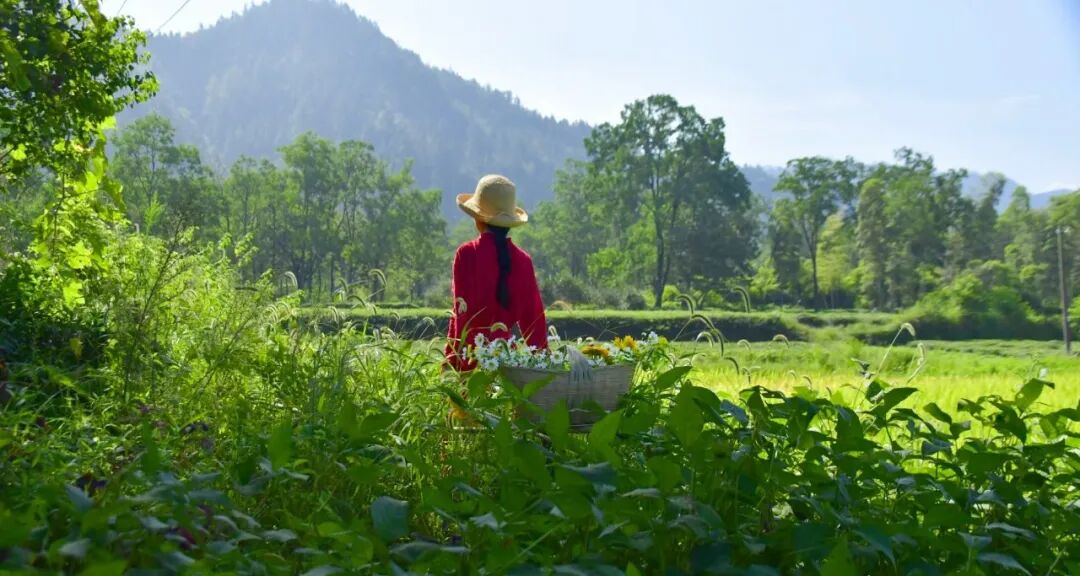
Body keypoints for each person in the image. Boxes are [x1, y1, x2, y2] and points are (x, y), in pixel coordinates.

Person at [444, 174, 548, 372]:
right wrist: (544, 363)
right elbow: (534, 320)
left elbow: (461, 312)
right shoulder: (523, 261)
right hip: (507, 361)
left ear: (478, 219)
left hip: (471, 358)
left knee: (471, 404)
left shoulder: (467, 254)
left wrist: (455, 359)